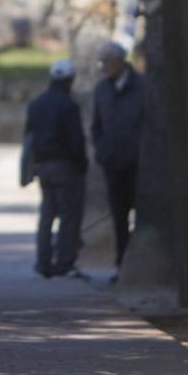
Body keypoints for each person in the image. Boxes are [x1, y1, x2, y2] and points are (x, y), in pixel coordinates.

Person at [22, 59, 89, 279]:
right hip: (66, 166)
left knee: (47, 215)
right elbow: (76, 140)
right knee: (69, 216)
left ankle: (43, 262)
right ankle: (64, 263)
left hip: (44, 167)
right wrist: (82, 164)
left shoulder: (36, 104)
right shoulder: (69, 105)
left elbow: (29, 138)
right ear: (70, 80)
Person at [91, 41, 144, 269]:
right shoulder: (102, 89)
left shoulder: (142, 86)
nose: (102, 66)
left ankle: (140, 263)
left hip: (139, 164)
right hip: (112, 163)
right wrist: (102, 151)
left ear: (120, 60)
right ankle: (122, 263)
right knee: (119, 215)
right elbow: (96, 126)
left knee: (142, 214)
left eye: (106, 61)